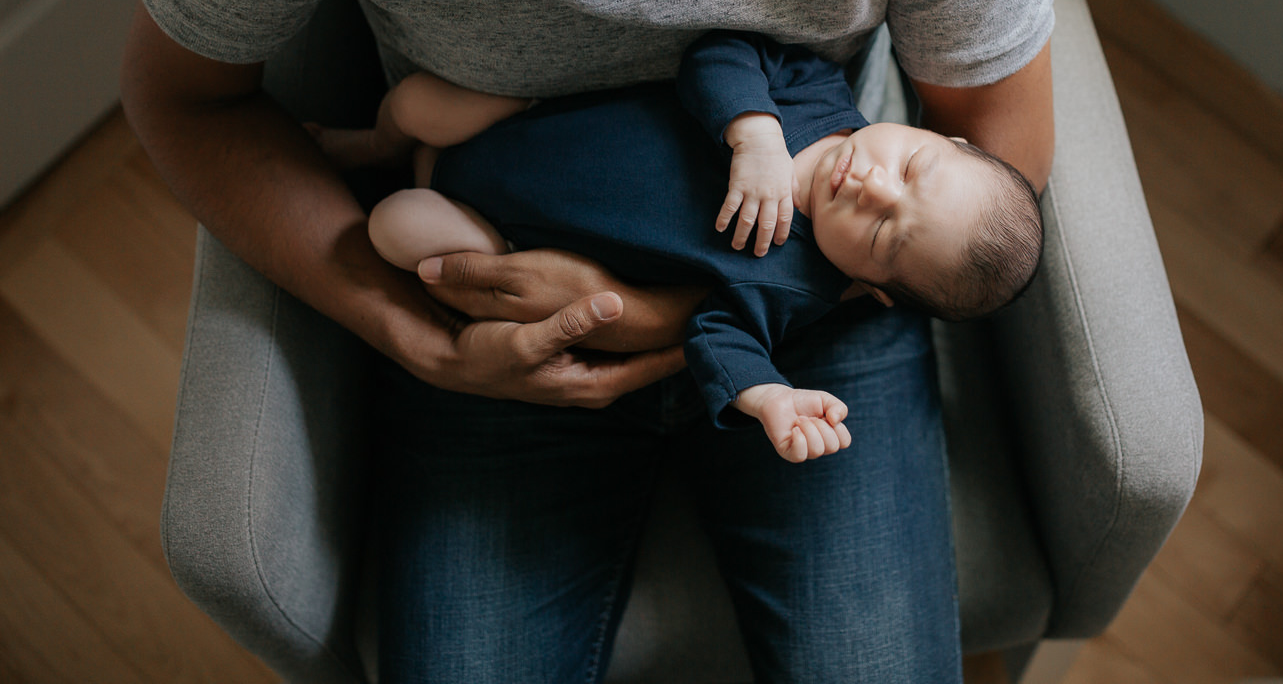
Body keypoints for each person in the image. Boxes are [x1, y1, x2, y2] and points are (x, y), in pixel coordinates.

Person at [120, 0, 1054, 678]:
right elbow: (186, 101)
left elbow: (996, 150)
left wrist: (682, 312)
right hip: (492, 307)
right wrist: (421, 338)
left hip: (808, 318)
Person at [316, 30, 1044, 462]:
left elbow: (720, 334)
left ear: (873, 289)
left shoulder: (792, 285)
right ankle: (372, 143)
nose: (875, 189)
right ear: (937, 135)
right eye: (912, 166)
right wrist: (753, 129)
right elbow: (719, 51)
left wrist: (767, 399)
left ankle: (398, 183)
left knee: (396, 227)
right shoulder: (817, 96)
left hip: (499, 228)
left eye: (885, 234)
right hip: (527, 116)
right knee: (416, 104)